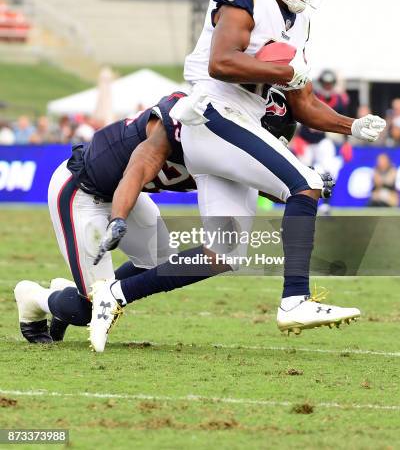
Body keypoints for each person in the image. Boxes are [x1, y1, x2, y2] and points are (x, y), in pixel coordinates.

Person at [87, 0, 386, 352]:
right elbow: (222, 62)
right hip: (212, 113)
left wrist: (351, 125)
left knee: (225, 253)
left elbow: (303, 105)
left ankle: (113, 295)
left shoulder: (297, 22)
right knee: (307, 184)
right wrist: (284, 72)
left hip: (236, 123)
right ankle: (295, 299)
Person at [14, 89, 334, 344]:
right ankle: (34, 298)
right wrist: (119, 217)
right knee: (89, 310)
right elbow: (137, 169)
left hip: (127, 195)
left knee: (157, 266)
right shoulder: (185, 121)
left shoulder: (223, 144)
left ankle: (76, 290)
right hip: (85, 191)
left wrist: (300, 183)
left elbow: (258, 179)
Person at [296, 69, 350, 213]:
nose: (327, 87)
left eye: (329, 84)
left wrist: (346, 142)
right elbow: (295, 114)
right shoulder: (310, 95)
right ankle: (303, 204)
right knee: (304, 172)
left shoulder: (339, 100)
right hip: (305, 139)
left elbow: (342, 120)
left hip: (321, 140)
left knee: (329, 170)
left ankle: (326, 203)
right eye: (325, 84)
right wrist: (296, 138)